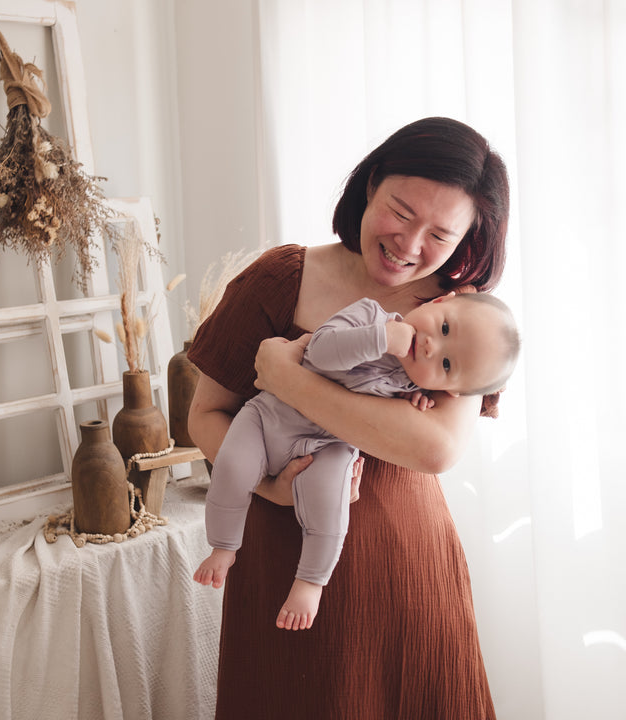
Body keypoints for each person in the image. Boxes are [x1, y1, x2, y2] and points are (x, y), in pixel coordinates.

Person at [187, 116, 509, 719]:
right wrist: (270, 487)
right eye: (402, 212)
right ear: (370, 185)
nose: (410, 246)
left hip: (408, 578)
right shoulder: (279, 280)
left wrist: (291, 379)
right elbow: (205, 415)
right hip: (286, 573)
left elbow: (435, 448)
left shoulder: (457, 318)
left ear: (467, 238)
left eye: (440, 234)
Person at [194, 292, 520, 631]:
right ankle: (223, 546)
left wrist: (413, 395)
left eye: (446, 365)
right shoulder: (369, 315)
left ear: (449, 392)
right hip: (268, 418)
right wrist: (382, 339)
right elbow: (320, 351)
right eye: (445, 327)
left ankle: (311, 581)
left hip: (327, 445)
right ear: (437, 302)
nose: (430, 347)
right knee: (233, 466)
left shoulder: (410, 385)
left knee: (331, 502)